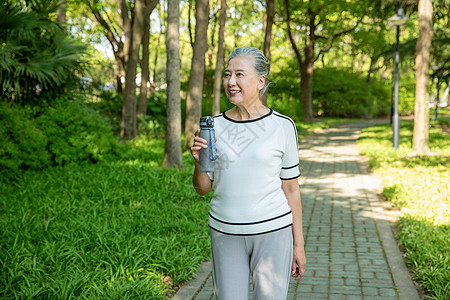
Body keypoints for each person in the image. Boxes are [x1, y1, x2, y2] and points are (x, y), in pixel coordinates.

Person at [190, 46, 306, 300]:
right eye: (227, 74)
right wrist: (198, 163)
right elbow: (202, 189)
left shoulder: (283, 126)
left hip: (273, 232)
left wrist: (299, 245)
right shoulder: (214, 126)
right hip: (225, 233)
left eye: (240, 74)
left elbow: (291, 188)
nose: (231, 82)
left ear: (260, 82)